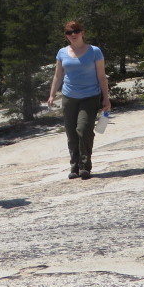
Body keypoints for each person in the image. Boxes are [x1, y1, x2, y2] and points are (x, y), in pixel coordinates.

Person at [47, 21, 111, 179]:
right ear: (66, 36)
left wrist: (106, 98)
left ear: (82, 32)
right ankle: (74, 166)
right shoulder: (62, 52)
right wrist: (52, 94)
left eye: (76, 31)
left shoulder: (94, 51)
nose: (73, 35)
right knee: (71, 132)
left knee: (83, 129)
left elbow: (102, 76)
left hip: (90, 96)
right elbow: (58, 75)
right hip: (69, 97)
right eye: (69, 32)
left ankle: (85, 165)